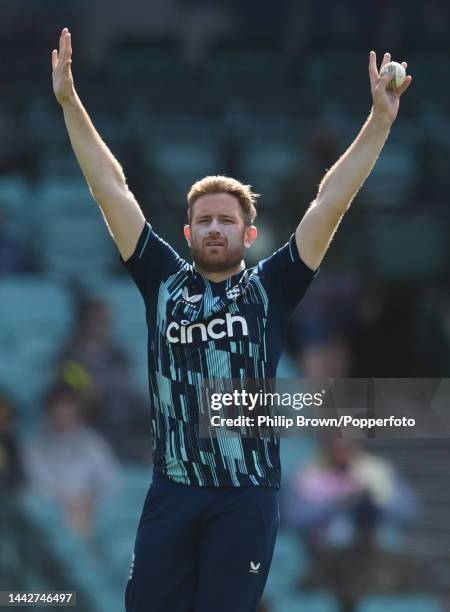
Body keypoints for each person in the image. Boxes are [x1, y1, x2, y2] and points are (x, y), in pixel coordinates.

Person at [51, 26, 412, 612]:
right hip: (172, 489)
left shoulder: (273, 286)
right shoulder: (161, 279)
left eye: (226, 219)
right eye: (204, 220)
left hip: (245, 496)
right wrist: (70, 103)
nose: (215, 227)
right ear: (189, 232)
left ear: (247, 233)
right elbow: (110, 186)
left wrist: (379, 122)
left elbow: (331, 200)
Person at [22, 383, 119, 538]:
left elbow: (110, 484)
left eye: (68, 405)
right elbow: (38, 489)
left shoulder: (95, 444)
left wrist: (89, 501)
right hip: (53, 518)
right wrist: (70, 502)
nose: (63, 411)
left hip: (91, 512)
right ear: (49, 410)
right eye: (58, 405)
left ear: (77, 409)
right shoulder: (34, 449)